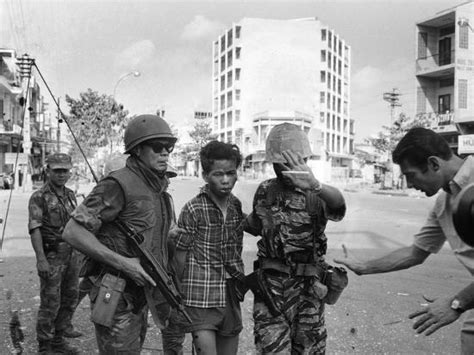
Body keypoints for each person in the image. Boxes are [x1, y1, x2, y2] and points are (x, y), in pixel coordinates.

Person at [334, 127, 474, 354]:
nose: (409, 185)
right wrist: (364, 267)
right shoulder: (444, 203)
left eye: (410, 175)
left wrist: (455, 303)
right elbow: (415, 253)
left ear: (434, 164)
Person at [62, 114, 181, 354]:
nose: (165, 153)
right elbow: (72, 232)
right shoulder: (118, 184)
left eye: (169, 147)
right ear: (137, 150)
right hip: (115, 292)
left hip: (141, 293)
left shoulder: (158, 191)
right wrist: (124, 264)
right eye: (157, 147)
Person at [244, 123, 346, 354]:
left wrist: (315, 185)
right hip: (270, 290)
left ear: (305, 158)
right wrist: (227, 210)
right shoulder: (265, 190)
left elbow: (339, 207)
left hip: (308, 292)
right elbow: (257, 225)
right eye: (280, 162)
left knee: (308, 350)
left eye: (292, 161)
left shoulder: (318, 194)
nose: (286, 167)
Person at [174, 141, 245, 355]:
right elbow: (179, 257)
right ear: (205, 175)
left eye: (231, 173)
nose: (225, 180)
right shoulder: (193, 209)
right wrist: (179, 295)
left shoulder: (235, 206)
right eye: (218, 174)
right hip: (200, 294)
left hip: (230, 292)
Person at [28, 152, 80, 354]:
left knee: (69, 298)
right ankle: (45, 346)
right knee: (50, 302)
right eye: (57, 170)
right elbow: (35, 228)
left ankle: (58, 341)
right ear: (47, 171)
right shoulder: (39, 197)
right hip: (52, 256)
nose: (61, 174)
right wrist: (41, 259)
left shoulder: (70, 195)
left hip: (72, 255)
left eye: (65, 171)